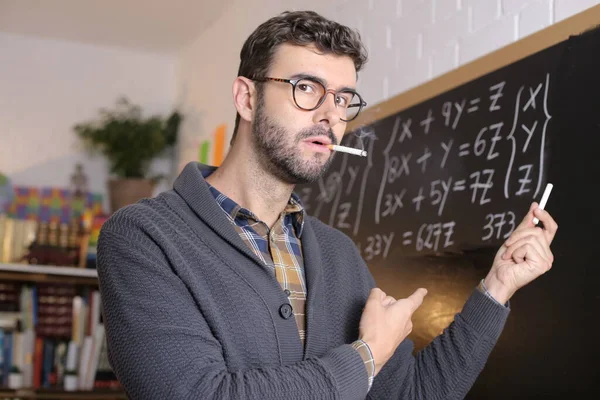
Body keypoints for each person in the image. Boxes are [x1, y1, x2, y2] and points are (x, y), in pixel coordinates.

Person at [97, 10, 558, 400]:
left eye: (342, 98)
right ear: (246, 97)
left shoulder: (337, 254)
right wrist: (366, 356)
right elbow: (199, 392)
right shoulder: (143, 236)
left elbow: (413, 393)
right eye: (306, 87)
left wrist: (498, 286)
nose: (330, 115)